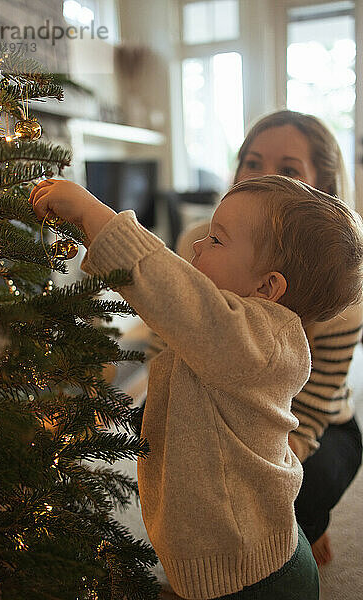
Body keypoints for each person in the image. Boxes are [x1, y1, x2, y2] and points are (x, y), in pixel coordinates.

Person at [30, 174, 363, 599]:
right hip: (239, 558)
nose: (195, 246)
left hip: (253, 577)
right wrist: (87, 232)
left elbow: (172, 289)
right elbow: (164, 299)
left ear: (267, 287)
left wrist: (94, 213)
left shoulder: (258, 340)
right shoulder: (231, 335)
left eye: (216, 240)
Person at [175, 110, 363, 567]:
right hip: (213, 403)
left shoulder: (343, 286)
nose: (264, 179)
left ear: (324, 188)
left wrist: (262, 470)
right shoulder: (196, 244)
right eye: (252, 162)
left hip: (309, 421)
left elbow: (316, 404)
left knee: (297, 494)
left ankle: (306, 530)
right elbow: (170, 346)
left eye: (290, 170)